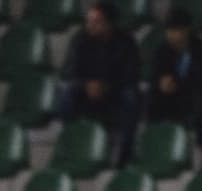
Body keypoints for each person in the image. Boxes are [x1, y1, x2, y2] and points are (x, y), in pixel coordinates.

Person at [57, 1, 142, 166]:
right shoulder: (80, 39)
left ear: (109, 24)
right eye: (89, 21)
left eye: (96, 22)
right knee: (67, 92)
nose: (90, 25)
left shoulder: (126, 42)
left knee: (131, 95)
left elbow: (132, 74)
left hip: (114, 94)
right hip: (87, 93)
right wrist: (87, 84)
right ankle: (71, 141)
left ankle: (125, 150)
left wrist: (106, 86)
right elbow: (70, 71)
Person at [145, 9, 202, 151]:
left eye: (175, 30)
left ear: (186, 30)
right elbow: (155, 76)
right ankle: (152, 141)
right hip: (173, 97)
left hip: (195, 96)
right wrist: (161, 84)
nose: (171, 35)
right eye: (169, 31)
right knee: (151, 96)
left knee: (201, 100)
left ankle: (201, 147)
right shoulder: (163, 51)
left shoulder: (201, 50)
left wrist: (178, 85)